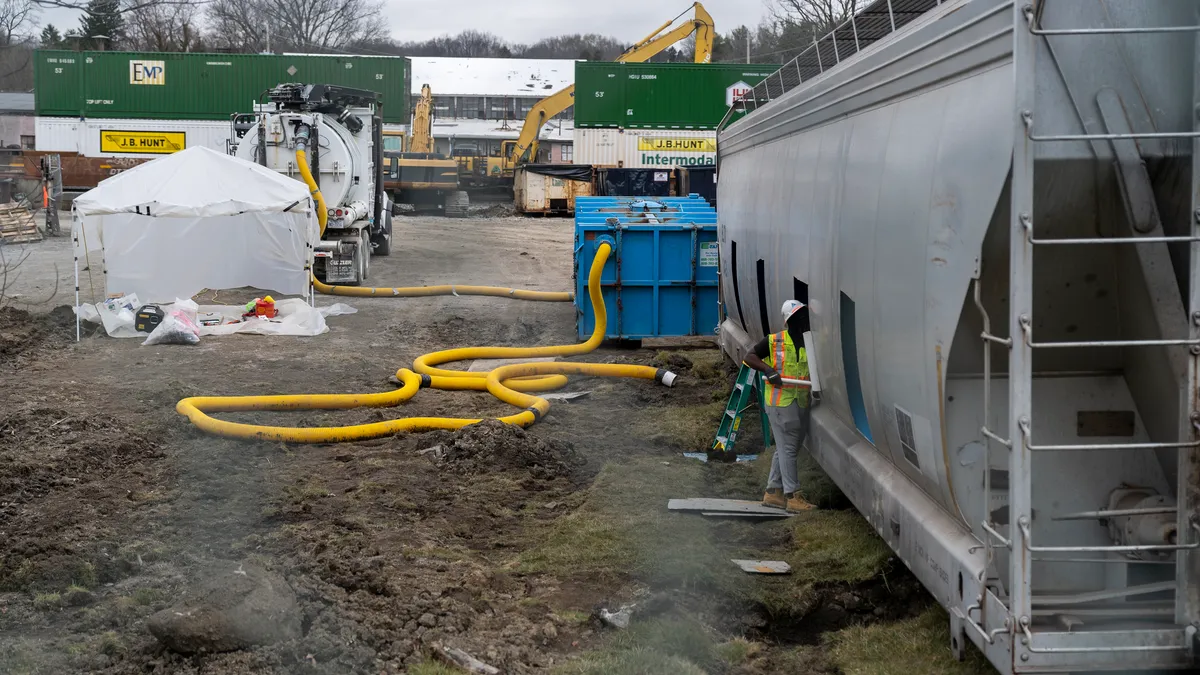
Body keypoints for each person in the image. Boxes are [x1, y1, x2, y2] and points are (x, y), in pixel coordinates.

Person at [742, 299, 818, 512]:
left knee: (785, 447)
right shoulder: (775, 341)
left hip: (800, 400)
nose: (804, 320)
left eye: (805, 316)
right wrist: (768, 370)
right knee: (788, 448)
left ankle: (773, 492)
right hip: (781, 402)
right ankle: (792, 496)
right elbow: (749, 357)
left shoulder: (809, 341)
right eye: (799, 317)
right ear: (789, 321)